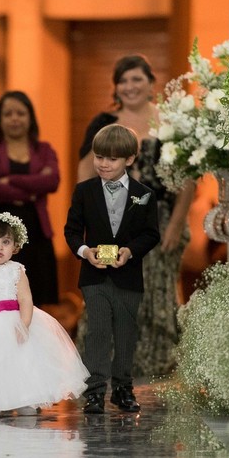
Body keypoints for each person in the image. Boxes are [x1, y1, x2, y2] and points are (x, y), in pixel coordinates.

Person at [76, 55, 196, 382]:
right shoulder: (104, 122)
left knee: (155, 292)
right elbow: (85, 172)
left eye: (136, 79)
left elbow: (188, 177)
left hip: (158, 221)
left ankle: (151, 371)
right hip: (112, 221)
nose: (129, 87)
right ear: (116, 87)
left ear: (151, 83)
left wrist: (174, 224)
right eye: (123, 81)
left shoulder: (171, 123)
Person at [0, 213, 88, 415]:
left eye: (6, 242)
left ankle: (23, 399)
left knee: (18, 364)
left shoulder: (17, 271)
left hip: (11, 323)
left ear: (15, 246)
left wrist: (24, 324)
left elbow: (25, 300)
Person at [65, 124, 160, 414]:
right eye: (99, 157)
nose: (103, 164)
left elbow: (151, 234)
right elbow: (71, 230)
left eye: (112, 159)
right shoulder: (84, 191)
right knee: (97, 332)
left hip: (128, 275)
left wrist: (130, 251)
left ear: (130, 159)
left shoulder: (144, 194)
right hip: (94, 275)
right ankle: (94, 392)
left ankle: (122, 388)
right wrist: (85, 252)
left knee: (125, 333)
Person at [0, 91, 60, 304]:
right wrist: (32, 188)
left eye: (20, 113)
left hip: (36, 233)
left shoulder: (44, 150)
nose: (14, 118)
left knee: (38, 299)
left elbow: (52, 181)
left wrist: (9, 180)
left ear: (30, 118)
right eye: (8, 114)